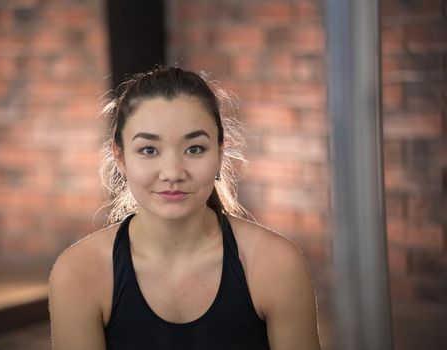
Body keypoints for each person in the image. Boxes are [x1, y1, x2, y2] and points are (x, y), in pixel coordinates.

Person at [49, 66, 321, 350]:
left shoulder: (275, 264)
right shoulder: (78, 272)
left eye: (194, 149)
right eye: (149, 150)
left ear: (219, 153)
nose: (173, 173)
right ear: (120, 157)